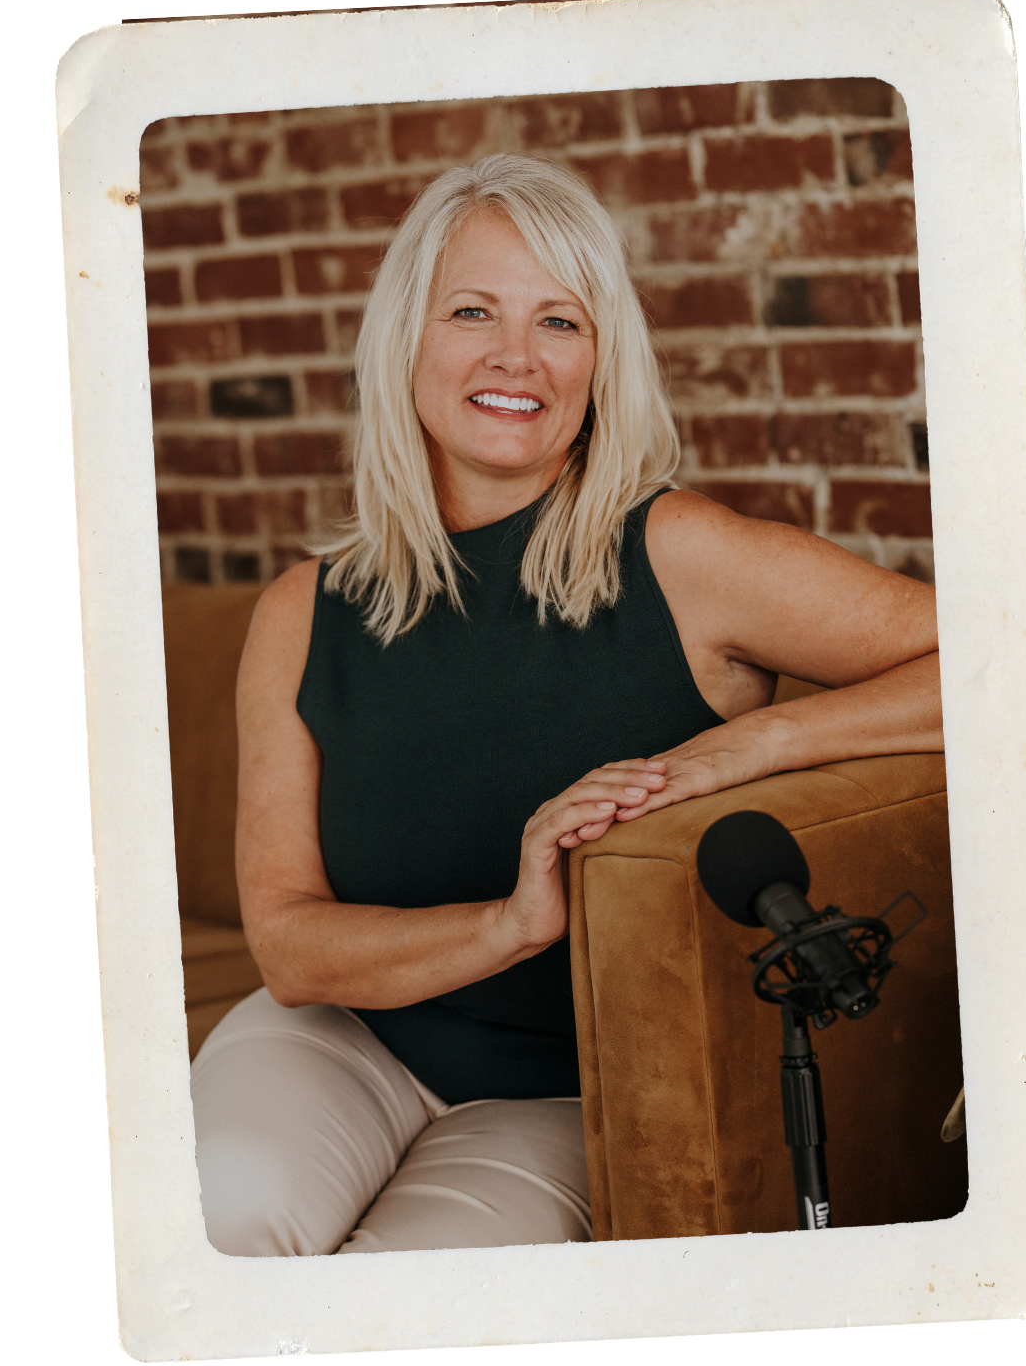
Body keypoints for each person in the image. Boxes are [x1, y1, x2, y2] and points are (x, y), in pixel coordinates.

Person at [190, 154, 942, 1257]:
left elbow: (997, 661)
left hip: (569, 1088)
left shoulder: (681, 554)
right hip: (340, 1043)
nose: (517, 356)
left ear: (601, 360)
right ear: (405, 341)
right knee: (219, 1219)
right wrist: (510, 921)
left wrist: (761, 740)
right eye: (473, 311)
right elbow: (292, 949)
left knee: (413, 1297)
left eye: (560, 320)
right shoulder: (302, 612)